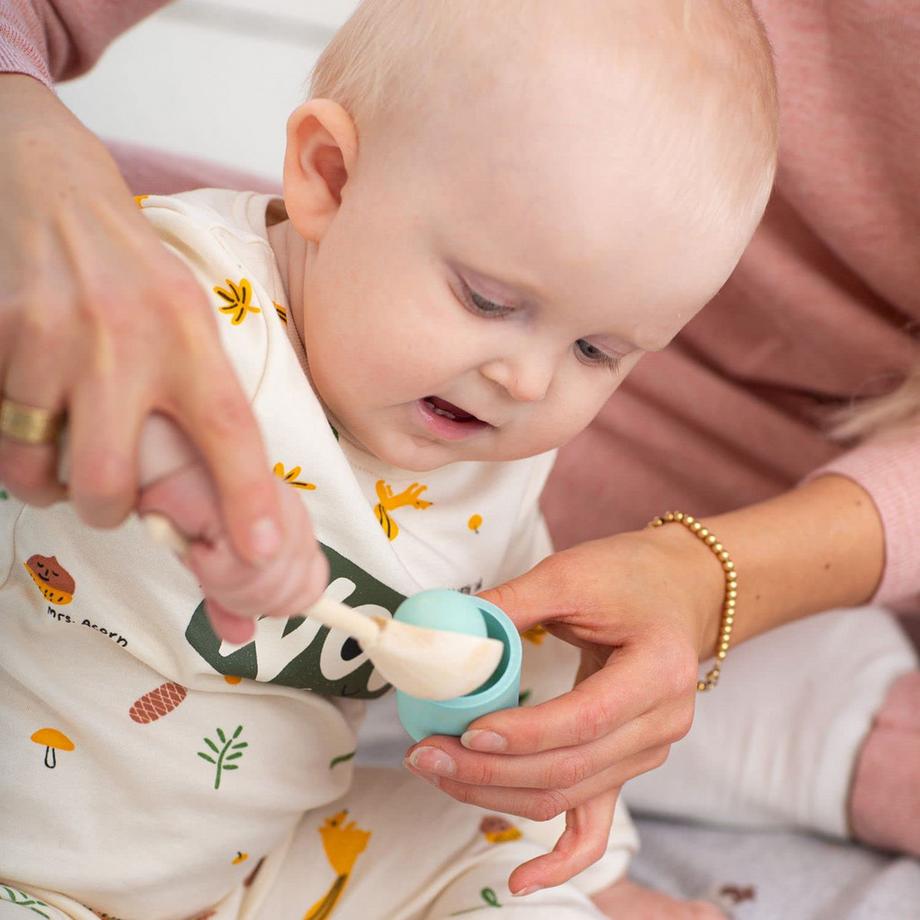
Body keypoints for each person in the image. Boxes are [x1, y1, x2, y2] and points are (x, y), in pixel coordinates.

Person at [1, 0, 917, 906]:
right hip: (32, 852)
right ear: (331, 176)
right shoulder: (180, 304)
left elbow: (521, 675)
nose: (527, 380)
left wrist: (570, 804)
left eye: (597, 352)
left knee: (495, 859)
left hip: (259, 868)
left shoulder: (490, 457)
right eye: (486, 299)